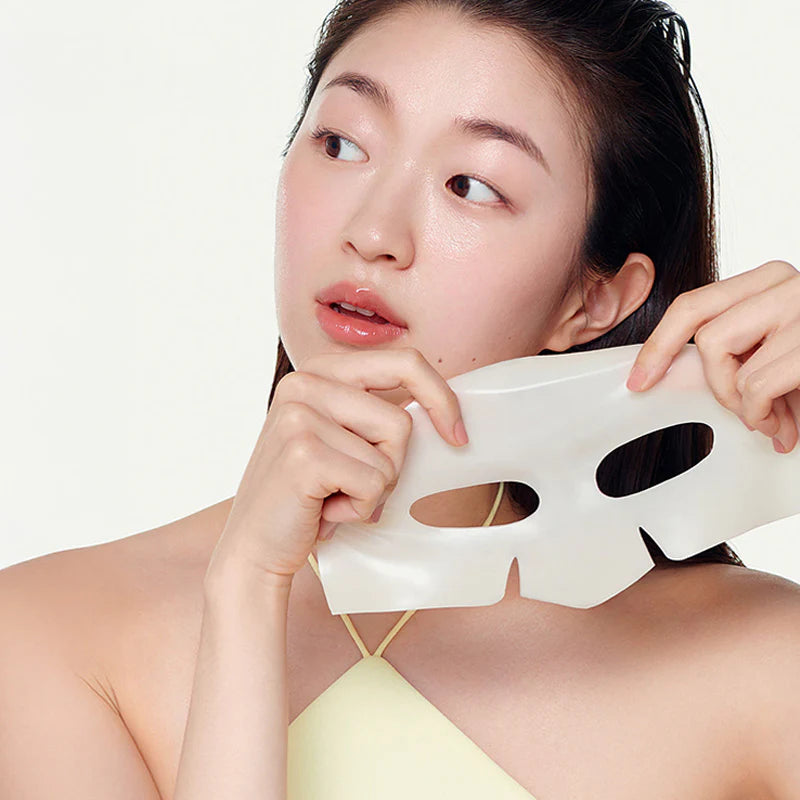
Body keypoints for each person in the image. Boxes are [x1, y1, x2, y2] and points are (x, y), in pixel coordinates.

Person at [1, 0, 799, 798]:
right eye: (342, 143)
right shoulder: (52, 636)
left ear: (593, 301)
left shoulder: (754, 662)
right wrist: (244, 592)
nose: (374, 231)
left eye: (471, 186)